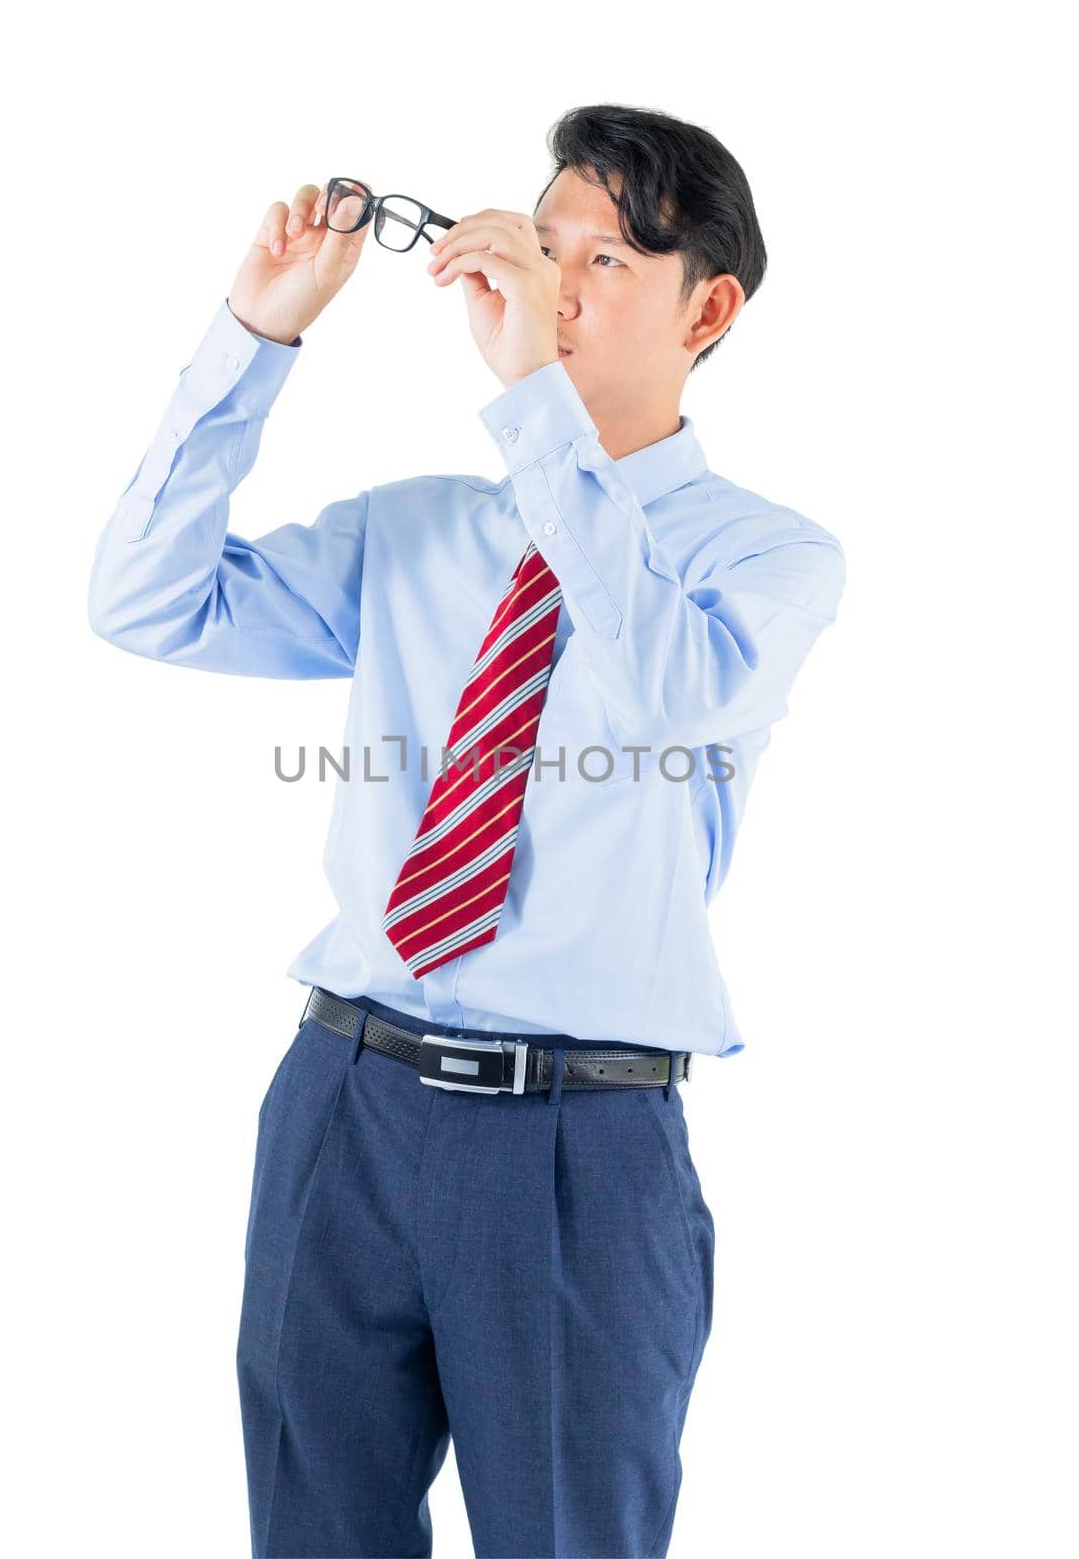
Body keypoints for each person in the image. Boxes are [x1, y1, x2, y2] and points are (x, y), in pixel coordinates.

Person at [88, 103, 847, 1559]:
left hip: (578, 1144)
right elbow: (142, 601)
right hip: (342, 1104)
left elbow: (666, 690)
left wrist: (538, 420)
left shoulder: (765, 561)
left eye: (608, 259)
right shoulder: (418, 530)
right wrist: (255, 339)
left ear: (714, 307)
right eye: (544, 245)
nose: (555, 289)